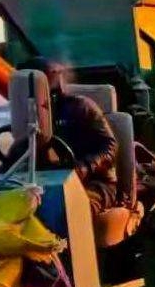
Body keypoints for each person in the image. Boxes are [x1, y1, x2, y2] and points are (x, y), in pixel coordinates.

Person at [21, 58, 119, 214]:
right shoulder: (29, 117)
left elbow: (110, 147)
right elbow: (19, 152)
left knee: (71, 210)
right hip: (47, 184)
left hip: (94, 183)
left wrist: (84, 168)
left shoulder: (81, 107)